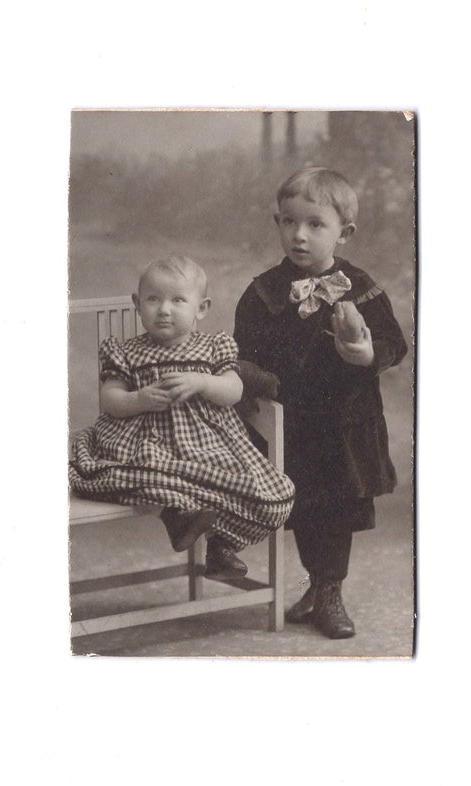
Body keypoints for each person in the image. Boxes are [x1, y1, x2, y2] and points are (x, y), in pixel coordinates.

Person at [234, 167, 408, 638]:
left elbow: (394, 342)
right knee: (305, 506)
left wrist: (367, 351)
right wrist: (253, 379)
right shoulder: (263, 292)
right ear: (278, 223)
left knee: (336, 508)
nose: (300, 235)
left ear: (344, 233)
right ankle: (317, 583)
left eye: (315, 225)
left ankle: (330, 591)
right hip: (291, 421)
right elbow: (243, 351)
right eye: (289, 222)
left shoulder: (360, 287)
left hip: (346, 422)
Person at [69, 256, 295, 581]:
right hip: (146, 447)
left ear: (201, 308)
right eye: (153, 299)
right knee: (141, 470)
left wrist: (202, 382)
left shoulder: (213, 347)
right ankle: (174, 514)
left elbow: (233, 390)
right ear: (137, 304)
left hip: (207, 449)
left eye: (177, 300)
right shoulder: (125, 352)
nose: (164, 309)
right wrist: (139, 399)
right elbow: (110, 400)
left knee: (275, 495)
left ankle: (221, 544)